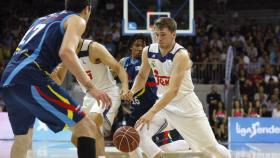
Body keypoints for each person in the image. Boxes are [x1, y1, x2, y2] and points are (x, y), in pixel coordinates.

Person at [0, 1, 112, 158]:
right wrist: (90, 86)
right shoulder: (77, 19)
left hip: (8, 80)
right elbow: (66, 52)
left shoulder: (42, 20)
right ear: (87, 9)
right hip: (31, 78)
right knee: (87, 127)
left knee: (22, 138)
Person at [123, 17, 231, 158]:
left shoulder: (181, 55)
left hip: (186, 106)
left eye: (163, 34)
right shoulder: (148, 51)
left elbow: (173, 91)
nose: (159, 38)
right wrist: (131, 92)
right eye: (156, 34)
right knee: (137, 134)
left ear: (173, 34)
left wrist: (150, 112)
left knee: (210, 149)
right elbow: (142, 76)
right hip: (164, 106)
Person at [52, 39, 129, 157]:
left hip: (107, 93)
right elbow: (58, 80)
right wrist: (52, 74)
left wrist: (125, 87)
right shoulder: (67, 53)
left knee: (91, 127)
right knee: (76, 139)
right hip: (89, 97)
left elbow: (118, 68)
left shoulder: (93, 48)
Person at [121, 35, 189, 158]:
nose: (141, 48)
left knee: (157, 145)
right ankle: (190, 143)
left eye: (143, 45)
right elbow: (111, 75)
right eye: (137, 45)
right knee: (134, 143)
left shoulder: (152, 62)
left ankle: (190, 143)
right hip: (136, 112)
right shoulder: (124, 62)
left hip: (155, 112)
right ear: (131, 47)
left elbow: (143, 77)